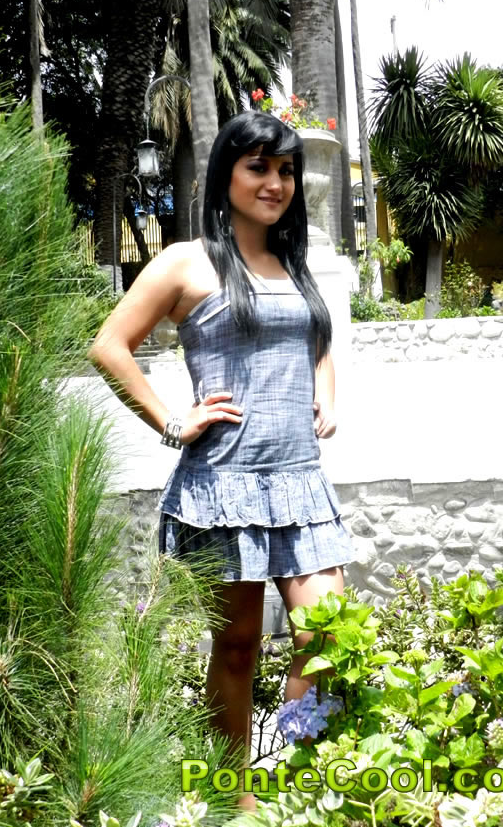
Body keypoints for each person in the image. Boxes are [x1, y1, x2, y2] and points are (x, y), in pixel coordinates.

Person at [88, 111, 353, 809]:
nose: (276, 183)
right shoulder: (186, 262)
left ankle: (296, 781)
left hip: (300, 482)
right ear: (225, 174)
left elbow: (316, 341)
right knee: (236, 646)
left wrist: (326, 395)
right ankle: (234, 803)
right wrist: (174, 422)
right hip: (223, 485)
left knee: (330, 637)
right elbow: (109, 347)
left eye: (286, 171)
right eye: (258, 167)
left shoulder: (292, 261)